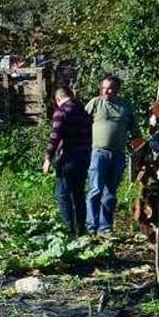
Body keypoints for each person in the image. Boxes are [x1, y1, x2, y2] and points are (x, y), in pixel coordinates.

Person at [83, 76, 141, 233]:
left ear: (117, 89)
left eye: (109, 88)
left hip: (117, 155)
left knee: (110, 193)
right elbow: (81, 122)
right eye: (103, 88)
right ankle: (91, 226)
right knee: (95, 190)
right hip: (98, 153)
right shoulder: (96, 103)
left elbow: (135, 132)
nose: (105, 91)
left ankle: (105, 227)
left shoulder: (125, 106)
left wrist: (140, 151)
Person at [43, 87, 91, 235]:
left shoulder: (61, 112)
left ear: (58, 99)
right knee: (78, 194)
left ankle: (68, 229)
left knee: (62, 193)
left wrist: (48, 158)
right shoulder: (84, 113)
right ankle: (81, 229)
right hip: (84, 156)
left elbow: (55, 137)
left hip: (68, 157)